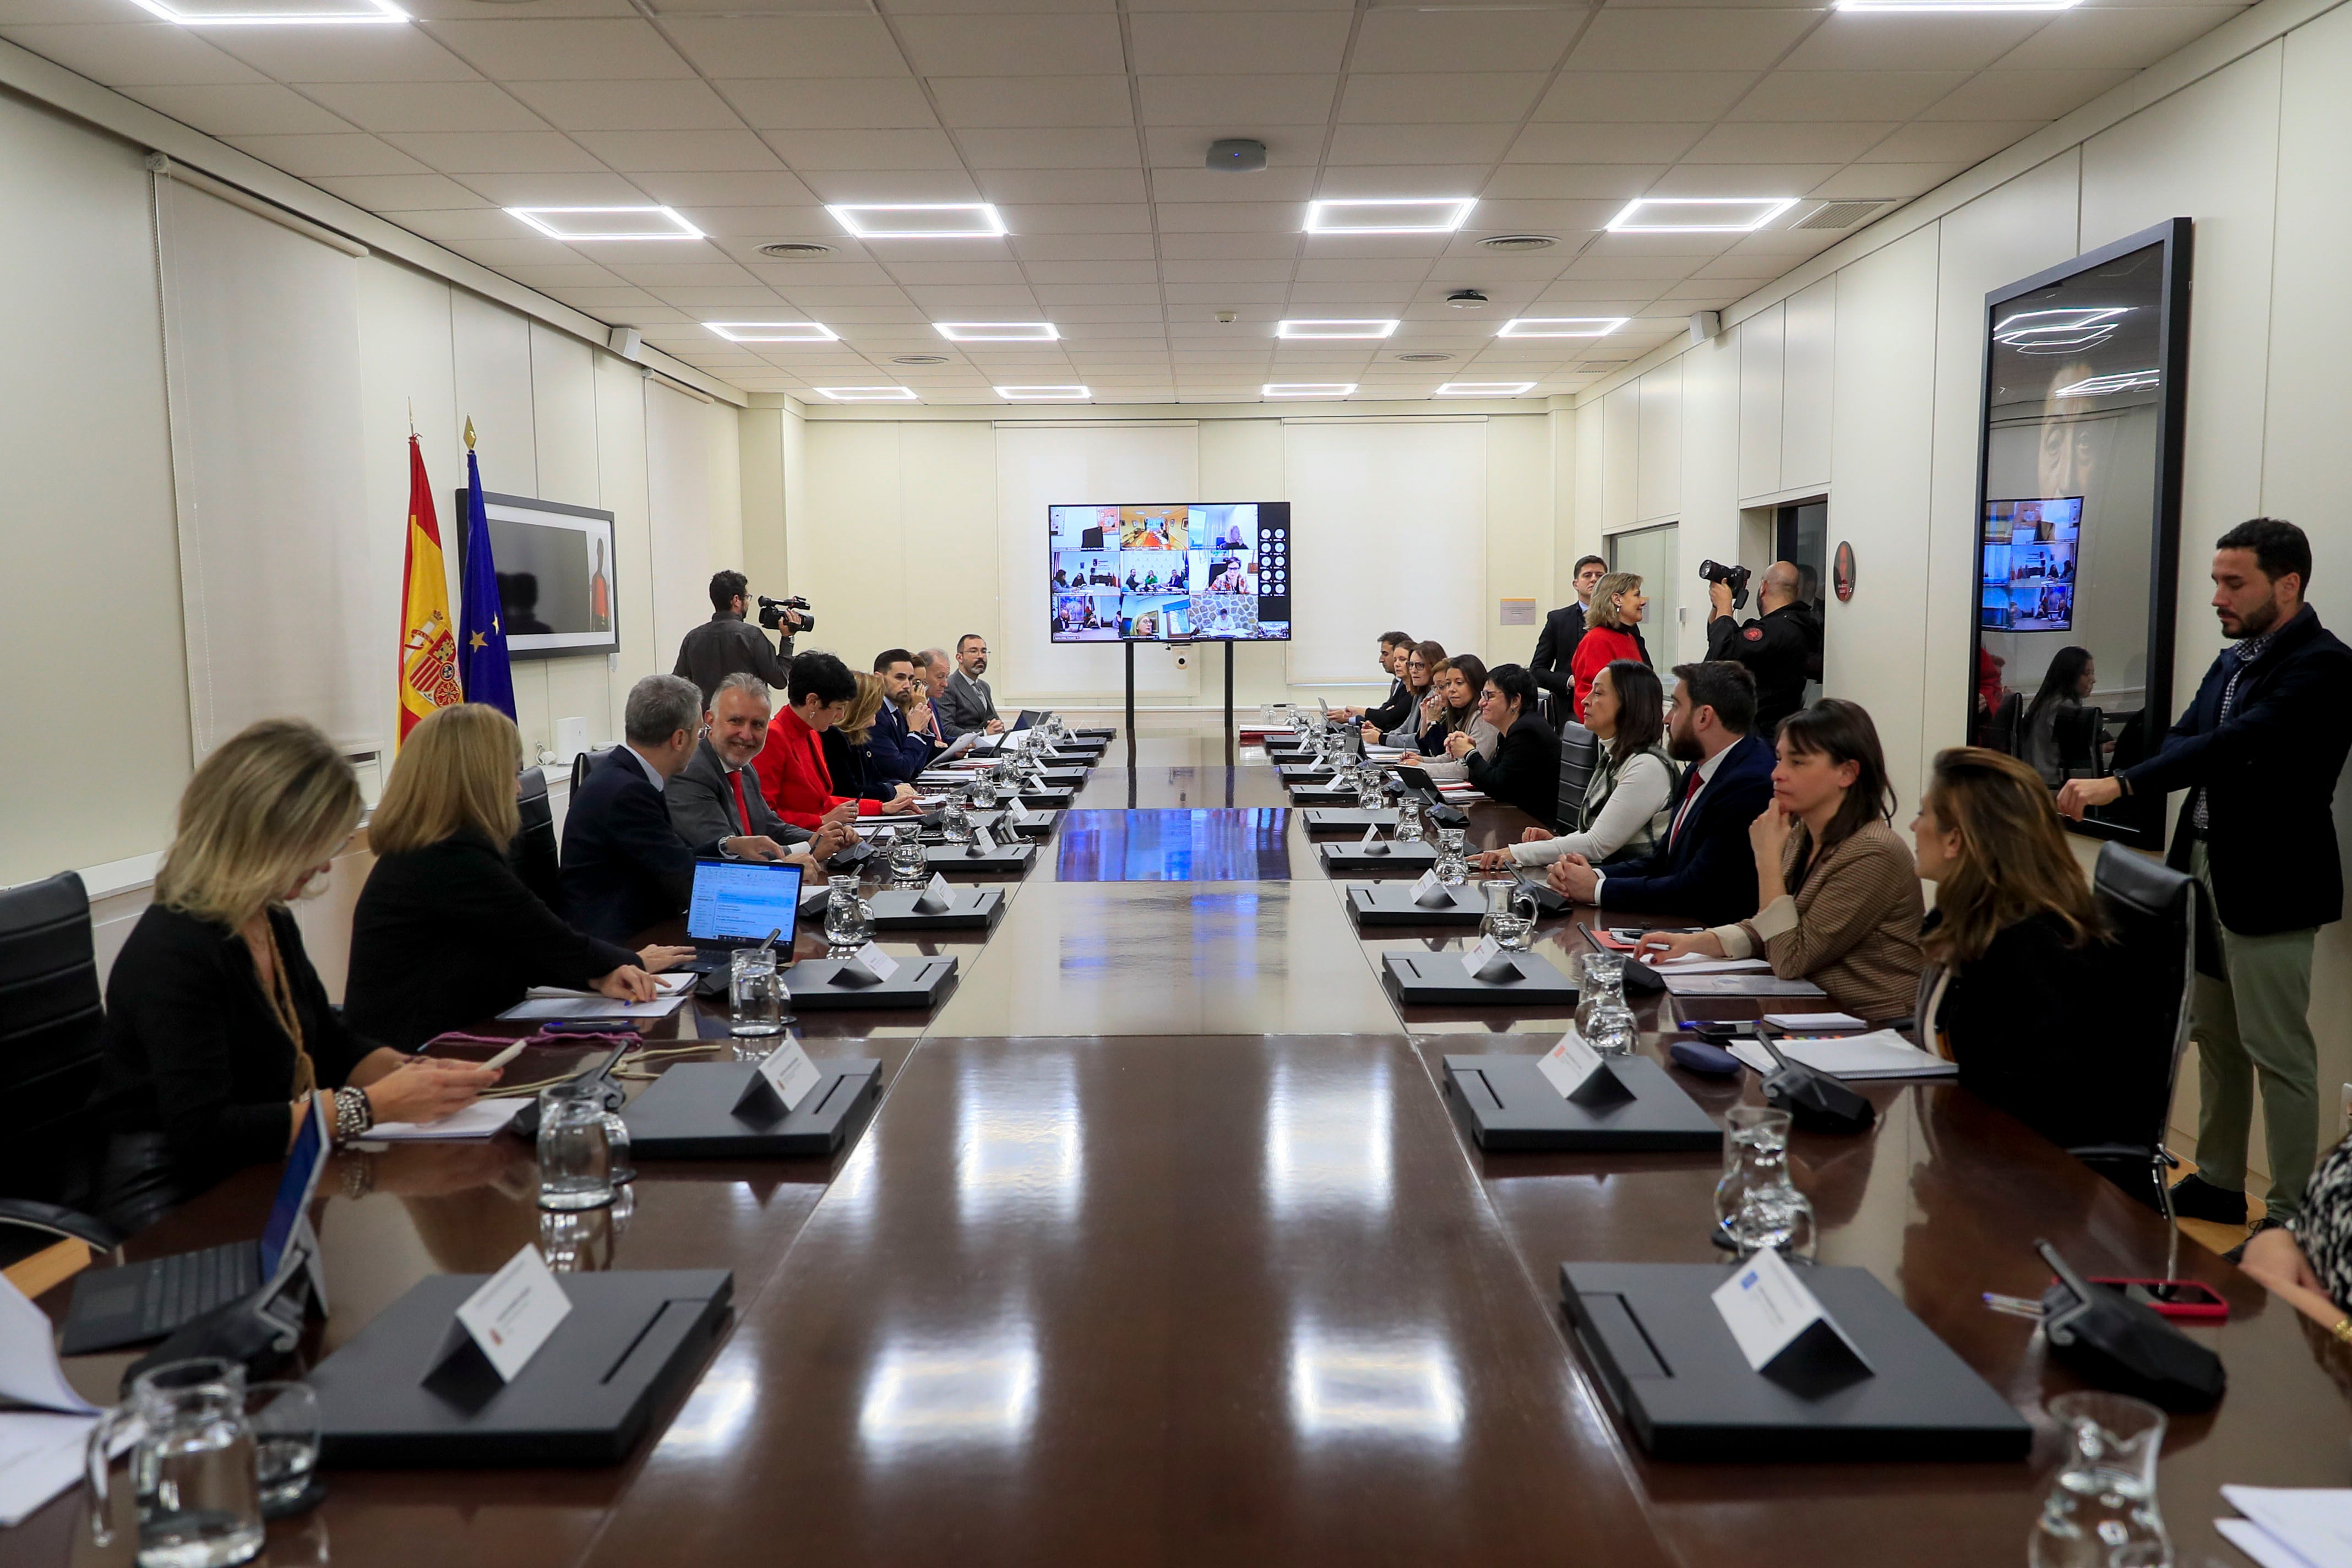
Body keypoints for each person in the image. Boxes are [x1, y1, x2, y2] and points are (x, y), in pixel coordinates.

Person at [2060, 518, 2352, 1240]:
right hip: (2202, 864)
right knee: (2215, 1035)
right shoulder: (2235, 662)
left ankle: (2288, 1218)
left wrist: (2120, 786)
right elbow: (2185, 739)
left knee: (2278, 1052)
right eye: (2216, 581)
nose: (2217, 597)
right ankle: (2222, 1183)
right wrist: (2187, 759)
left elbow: (2233, 744)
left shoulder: (2322, 664)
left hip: (2272, 880)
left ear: (2288, 584)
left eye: (2234, 583)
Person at [90, 719, 499, 1232]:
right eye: (317, 848)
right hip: (173, 1205)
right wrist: (370, 1107)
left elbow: (324, 1040)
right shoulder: (175, 951)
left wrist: (408, 1073)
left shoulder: (268, 918)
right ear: (265, 838)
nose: (326, 866)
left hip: (260, 1173)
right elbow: (204, 1133)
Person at [347, 704, 689, 1052]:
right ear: (477, 782)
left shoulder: (430, 847)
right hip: (414, 1058)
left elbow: (519, 948)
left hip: (448, 1037)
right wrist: (630, 962)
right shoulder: (448, 857)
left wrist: (600, 975)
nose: (517, 790)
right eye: (510, 774)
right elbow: (543, 937)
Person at [1904, 747, 2138, 1152]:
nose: (1913, 825)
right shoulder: (1972, 920)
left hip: (2026, 1186)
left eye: (1924, 814)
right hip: (1966, 1154)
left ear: (1955, 840)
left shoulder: (2029, 949)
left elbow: (2029, 1107)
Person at [1635, 699, 1924, 1021]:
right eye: (1779, 759)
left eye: (1797, 763)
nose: (1777, 774)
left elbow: (1789, 957)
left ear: (1847, 773)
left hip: (1873, 1027)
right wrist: (1695, 943)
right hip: (1812, 1010)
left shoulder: (1872, 854)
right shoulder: (1804, 833)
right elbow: (1774, 926)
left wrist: (1768, 859)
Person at [562, 674, 809, 943]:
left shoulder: (627, 778)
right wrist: (782, 876)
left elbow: (674, 858)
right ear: (680, 739)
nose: (700, 742)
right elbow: (687, 880)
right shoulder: (628, 792)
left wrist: (729, 846)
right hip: (624, 946)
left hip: (646, 930)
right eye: (699, 732)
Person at [1546, 661, 1776, 924]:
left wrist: (1596, 890)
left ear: (1704, 717)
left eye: (1676, 706)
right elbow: (1662, 860)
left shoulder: (1748, 783)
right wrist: (1593, 877)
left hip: (1711, 935)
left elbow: (1697, 889)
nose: (1666, 718)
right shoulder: (1701, 769)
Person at [1483, 659, 1673, 870]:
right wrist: (1553, 842)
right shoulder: (1617, 757)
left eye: (1598, 693)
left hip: (1632, 892)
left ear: (1629, 702)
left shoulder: (1647, 766)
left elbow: (1598, 844)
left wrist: (1517, 852)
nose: (1585, 701)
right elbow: (1597, 833)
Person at [666, 673, 851, 863]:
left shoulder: (745, 769)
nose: (746, 735)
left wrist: (829, 837)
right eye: (736, 721)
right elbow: (730, 856)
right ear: (711, 720)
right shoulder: (690, 772)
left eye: (757, 725)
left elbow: (772, 827)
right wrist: (810, 849)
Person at [758, 651, 923, 828]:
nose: (842, 715)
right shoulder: (774, 738)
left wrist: (880, 807)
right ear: (813, 702)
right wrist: (821, 821)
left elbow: (823, 801)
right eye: (838, 708)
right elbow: (764, 816)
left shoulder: (812, 733)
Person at [1706, 560, 1811, 737]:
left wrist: (1725, 605)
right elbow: (1720, 641)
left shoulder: (1780, 630)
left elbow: (1722, 655)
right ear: (1797, 591)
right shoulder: (1792, 626)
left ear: (1763, 587)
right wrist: (1718, 607)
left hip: (1762, 735)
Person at [1451, 663, 1558, 824]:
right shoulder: (1511, 730)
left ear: (1515, 700)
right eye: (1482, 695)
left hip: (1534, 826)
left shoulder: (1526, 732)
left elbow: (1499, 788)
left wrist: (1470, 754)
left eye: (1490, 696)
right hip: (1516, 818)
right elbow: (1486, 783)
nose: (1481, 703)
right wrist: (1469, 752)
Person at [673, 569, 799, 704]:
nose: (748, 602)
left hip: (708, 722)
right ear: (736, 600)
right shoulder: (753, 637)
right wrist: (788, 638)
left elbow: (677, 685)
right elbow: (780, 680)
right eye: (747, 597)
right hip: (747, 720)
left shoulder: (692, 638)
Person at [823, 672, 916, 809]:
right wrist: (891, 790)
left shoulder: (859, 735)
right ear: (861, 708)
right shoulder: (833, 737)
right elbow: (849, 792)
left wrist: (898, 785)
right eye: (874, 710)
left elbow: (875, 777)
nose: (875, 721)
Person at [1529, 555, 1610, 710]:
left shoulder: (1621, 620)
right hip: (1569, 706)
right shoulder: (1558, 619)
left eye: (1600, 576)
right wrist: (1570, 680)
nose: (1594, 580)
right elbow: (1537, 671)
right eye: (1587, 575)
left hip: (1613, 706)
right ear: (1576, 584)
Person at [1569, 571, 1647, 723]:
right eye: (1637, 595)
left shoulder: (1628, 637)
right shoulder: (1597, 640)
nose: (1642, 602)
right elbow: (1592, 698)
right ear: (1617, 599)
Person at [2021, 645, 2096, 787]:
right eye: (2087, 674)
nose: (2093, 679)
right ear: (2070, 675)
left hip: (2033, 784)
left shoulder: (2046, 703)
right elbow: (2078, 759)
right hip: (2052, 787)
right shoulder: (2065, 709)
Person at [1411, 654, 1496, 777]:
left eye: (1459, 683)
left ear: (1475, 684)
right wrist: (1421, 761)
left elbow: (1468, 768)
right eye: (1448, 684)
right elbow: (1450, 757)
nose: (1451, 689)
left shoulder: (1483, 719)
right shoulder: (1460, 714)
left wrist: (1420, 767)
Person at [868, 647, 936, 785]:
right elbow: (901, 771)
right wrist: (915, 731)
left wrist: (921, 730)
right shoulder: (875, 716)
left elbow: (916, 767)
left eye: (911, 679)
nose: (907, 685)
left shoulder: (897, 713)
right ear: (879, 678)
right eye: (900, 678)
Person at [1364, 641, 1443, 749]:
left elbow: (1420, 739)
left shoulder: (1436, 697)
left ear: (1434, 667)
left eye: (1420, 665)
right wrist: (1381, 734)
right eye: (1411, 665)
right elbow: (1405, 729)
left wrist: (1381, 738)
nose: (1413, 670)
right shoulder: (1419, 694)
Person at [1340, 632, 1415, 726]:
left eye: (1402, 659)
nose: (1381, 660)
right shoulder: (1399, 684)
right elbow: (1384, 713)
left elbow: (1389, 717)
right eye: (1395, 659)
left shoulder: (1413, 692)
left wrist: (1356, 712)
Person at [940, 634, 1004, 736]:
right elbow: (947, 729)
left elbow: (993, 719)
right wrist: (985, 733)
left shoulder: (984, 686)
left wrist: (998, 726)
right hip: (964, 749)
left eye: (984, 651)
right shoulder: (948, 686)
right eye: (974, 651)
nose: (980, 656)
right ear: (960, 657)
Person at [916, 648, 959, 743]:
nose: (945, 684)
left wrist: (960, 743)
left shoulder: (931, 701)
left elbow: (941, 738)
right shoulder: (911, 707)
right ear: (923, 675)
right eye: (940, 677)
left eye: (946, 677)